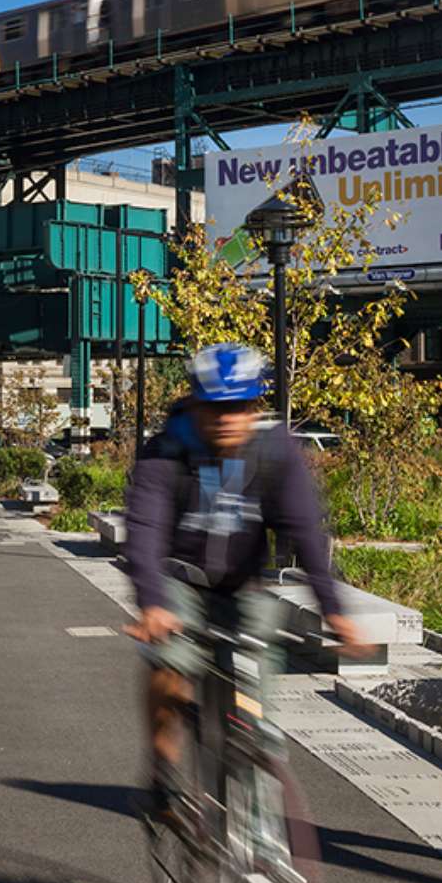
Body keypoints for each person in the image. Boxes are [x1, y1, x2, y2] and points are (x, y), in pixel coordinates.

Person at [124, 343, 358, 820]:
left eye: (241, 406)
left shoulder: (275, 451)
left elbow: (306, 530)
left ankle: (256, 813)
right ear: (195, 403)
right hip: (180, 582)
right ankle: (164, 772)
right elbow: (144, 534)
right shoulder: (165, 451)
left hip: (242, 588)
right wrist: (152, 604)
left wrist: (333, 608)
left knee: (255, 703)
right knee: (168, 661)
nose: (229, 418)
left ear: (254, 406)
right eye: (216, 406)